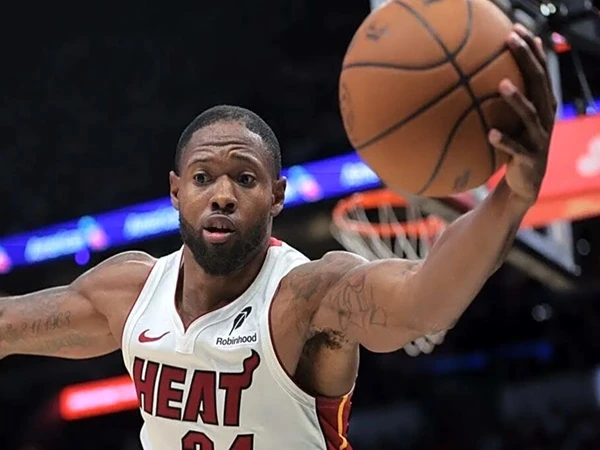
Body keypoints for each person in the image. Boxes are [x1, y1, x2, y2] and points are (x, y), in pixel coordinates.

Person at [0, 24, 555, 450]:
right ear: (175, 191)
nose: (222, 195)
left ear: (277, 196)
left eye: (245, 179)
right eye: (202, 178)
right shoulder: (128, 293)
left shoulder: (309, 296)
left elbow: (422, 301)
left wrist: (511, 197)